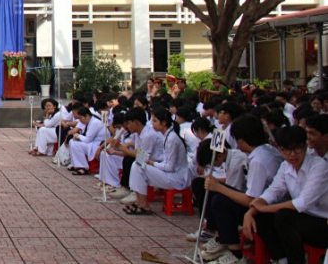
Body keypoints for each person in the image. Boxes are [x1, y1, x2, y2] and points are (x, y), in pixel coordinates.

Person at [198, 115, 283, 262]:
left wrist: (219, 187)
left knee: (220, 200)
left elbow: (250, 199)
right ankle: (219, 237)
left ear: (241, 140)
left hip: (265, 210)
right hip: (265, 203)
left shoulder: (258, 160)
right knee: (209, 190)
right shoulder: (266, 150)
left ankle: (234, 252)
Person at [244, 126, 328, 264]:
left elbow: (303, 202)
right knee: (262, 217)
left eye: (297, 149)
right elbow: (274, 191)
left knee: (284, 216)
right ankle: (281, 259)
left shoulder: (319, 166)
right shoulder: (285, 166)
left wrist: (263, 208)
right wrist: (251, 212)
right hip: (303, 219)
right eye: (286, 150)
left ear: (306, 146)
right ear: (280, 149)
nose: (292, 155)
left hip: (322, 223)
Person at [124, 107, 191, 215]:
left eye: (155, 121)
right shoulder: (167, 136)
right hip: (169, 172)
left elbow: (170, 167)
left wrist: (152, 163)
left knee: (138, 166)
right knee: (137, 165)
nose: (152, 124)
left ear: (164, 123)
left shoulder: (171, 138)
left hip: (177, 177)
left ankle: (144, 205)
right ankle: (140, 202)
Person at [108, 108, 165, 203]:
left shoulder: (148, 135)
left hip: (157, 162)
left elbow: (141, 155)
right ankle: (126, 187)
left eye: (129, 123)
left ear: (136, 123)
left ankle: (137, 191)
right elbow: (135, 151)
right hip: (148, 159)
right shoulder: (138, 133)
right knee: (128, 159)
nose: (127, 126)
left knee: (134, 163)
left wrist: (120, 147)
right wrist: (116, 151)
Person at [68, 107, 107, 175]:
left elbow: (88, 140)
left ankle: (83, 167)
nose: (80, 121)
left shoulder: (95, 122)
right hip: (93, 143)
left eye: (80, 118)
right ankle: (76, 164)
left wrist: (78, 136)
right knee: (72, 141)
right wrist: (77, 137)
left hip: (98, 144)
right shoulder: (90, 121)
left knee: (75, 145)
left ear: (87, 116)